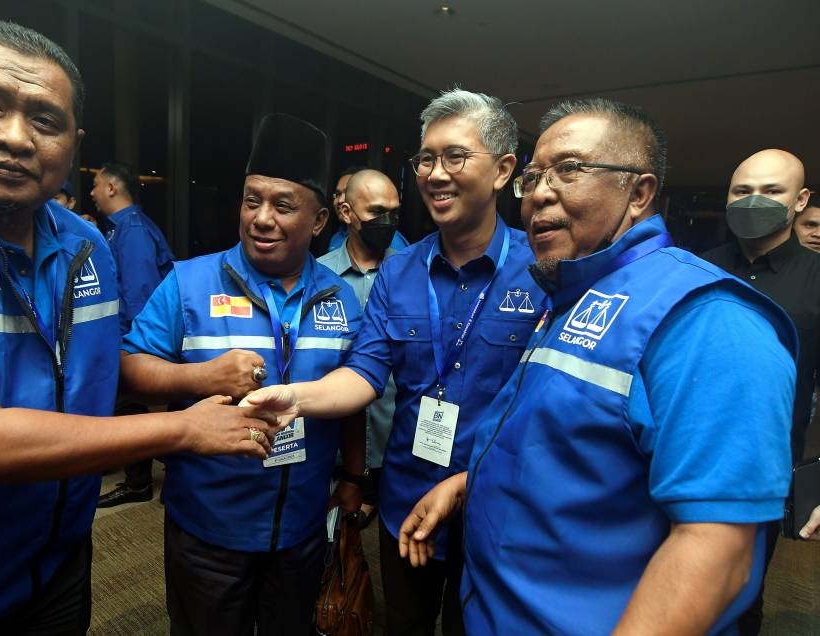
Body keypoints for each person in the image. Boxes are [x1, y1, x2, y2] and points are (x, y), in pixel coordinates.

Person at [0, 19, 279, 635]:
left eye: (44, 119)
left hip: (54, 567)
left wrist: (197, 376)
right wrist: (182, 430)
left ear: (74, 142)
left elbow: (97, 364)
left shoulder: (86, 244)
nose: (14, 137)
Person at [396, 98, 797, 635]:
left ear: (640, 192)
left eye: (569, 170)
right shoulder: (568, 297)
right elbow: (572, 442)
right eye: (534, 175)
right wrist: (471, 481)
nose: (539, 193)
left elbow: (717, 552)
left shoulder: (708, 320)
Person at [244, 89, 546, 636]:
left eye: (455, 156)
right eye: (425, 159)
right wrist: (299, 398)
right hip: (407, 497)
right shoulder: (399, 271)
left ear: (503, 170)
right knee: (403, 624)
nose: (435, 173)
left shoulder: (542, 272)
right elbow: (365, 372)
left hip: (498, 505)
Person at [119, 113, 365, 636]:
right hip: (208, 530)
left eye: (283, 205)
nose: (261, 218)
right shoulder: (188, 282)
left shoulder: (339, 298)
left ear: (320, 221)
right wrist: (200, 378)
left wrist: (352, 476)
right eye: (252, 200)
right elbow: (130, 370)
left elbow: (352, 396)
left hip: (300, 529)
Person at [700, 149, 818, 634]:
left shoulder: (816, 281)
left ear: (800, 200)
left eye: (772, 192)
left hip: (761, 474)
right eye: (741, 191)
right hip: (674, 459)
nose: (754, 202)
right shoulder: (695, 269)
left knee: (738, 602)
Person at [89, 160, 177, 508]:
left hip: (135, 339)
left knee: (138, 406)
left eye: (96, 184)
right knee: (135, 409)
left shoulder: (133, 229)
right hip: (122, 336)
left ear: (112, 187)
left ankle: (156, 478)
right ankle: (140, 479)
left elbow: (142, 295)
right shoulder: (117, 228)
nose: (92, 192)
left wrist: (134, 350)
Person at [318, 168, 401, 527]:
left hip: (395, 431)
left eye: (394, 214)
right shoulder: (320, 276)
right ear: (347, 213)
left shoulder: (413, 271)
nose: (387, 222)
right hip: (333, 436)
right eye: (376, 213)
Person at [327, 165, 408, 253]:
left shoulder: (391, 241)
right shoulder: (336, 238)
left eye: (347, 192)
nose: (340, 200)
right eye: (338, 193)